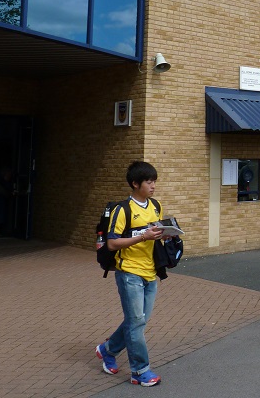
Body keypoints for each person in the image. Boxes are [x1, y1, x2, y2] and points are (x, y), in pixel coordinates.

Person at [95, 161, 166, 387]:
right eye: (149, 181)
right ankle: (140, 370)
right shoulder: (122, 209)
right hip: (129, 273)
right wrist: (141, 237)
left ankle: (108, 350)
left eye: (154, 181)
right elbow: (113, 243)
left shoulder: (156, 206)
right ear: (135, 184)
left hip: (150, 272)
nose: (153, 186)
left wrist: (167, 235)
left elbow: (156, 233)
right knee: (136, 322)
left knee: (137, 321)